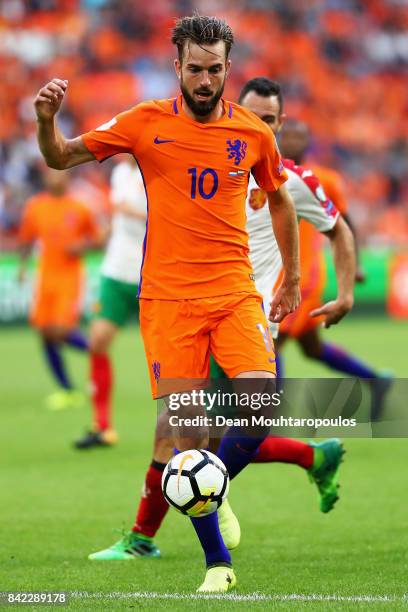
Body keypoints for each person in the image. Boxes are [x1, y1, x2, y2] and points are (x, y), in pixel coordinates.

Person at [34, 15, 301, 593]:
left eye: (215, 70)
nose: (205, 81)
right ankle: (218, 564)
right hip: (168, 300)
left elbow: (280, 202)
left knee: (258, 408)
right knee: (186, 432)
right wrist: (45, 119)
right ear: (177, 65)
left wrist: (292, 278)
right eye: (195, 69)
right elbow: (60, 158)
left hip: (234, 293)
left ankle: (213, 484)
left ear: (228, 68)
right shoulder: (142, 122)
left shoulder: (254, 132)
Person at [87, 78, 356, 564]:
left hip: (249, 321)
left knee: (203, 436)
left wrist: (345, 292)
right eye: (254, 115)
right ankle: (307, 459)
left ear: (279, 124)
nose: (261, 125)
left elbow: (340, 230)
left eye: (271, 119)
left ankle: (179, 525)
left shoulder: (290, 181)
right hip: (193, 310)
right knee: (182, 431)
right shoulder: (209, 161)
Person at [277, 120, 393, 420]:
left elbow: (344, 222)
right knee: (312, 349)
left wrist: (355, 265)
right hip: (274, 275)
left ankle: (265, 418)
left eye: (298, 137)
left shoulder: (323, 179)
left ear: (308, 143)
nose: (291, 141)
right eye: (286, 135)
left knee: (269, 341)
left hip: (304, 277)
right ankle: (377, 381)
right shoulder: (267, 175)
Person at [75, 157, 147, 449]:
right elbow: (117, 218)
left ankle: (198, 424)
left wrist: (131, 213)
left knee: (174, 353)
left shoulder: (161, 169)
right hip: (116, 270)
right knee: (98, 341)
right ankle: (102, 426)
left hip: (151, 273)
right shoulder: (119, 172)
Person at [18, 168, 100, 410]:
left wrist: (82, 245)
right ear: (45, 178)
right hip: (45, 276)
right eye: (51, 174)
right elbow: (26, 238)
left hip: (69, 277)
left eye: (60, 174)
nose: (55, 178)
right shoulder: (36, 207)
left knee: (61, 330)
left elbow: (96, 239)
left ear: (67, 178)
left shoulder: (80, 207)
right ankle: (66, 390)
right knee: (44, 332)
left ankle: (97, 351)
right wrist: (22, 267)